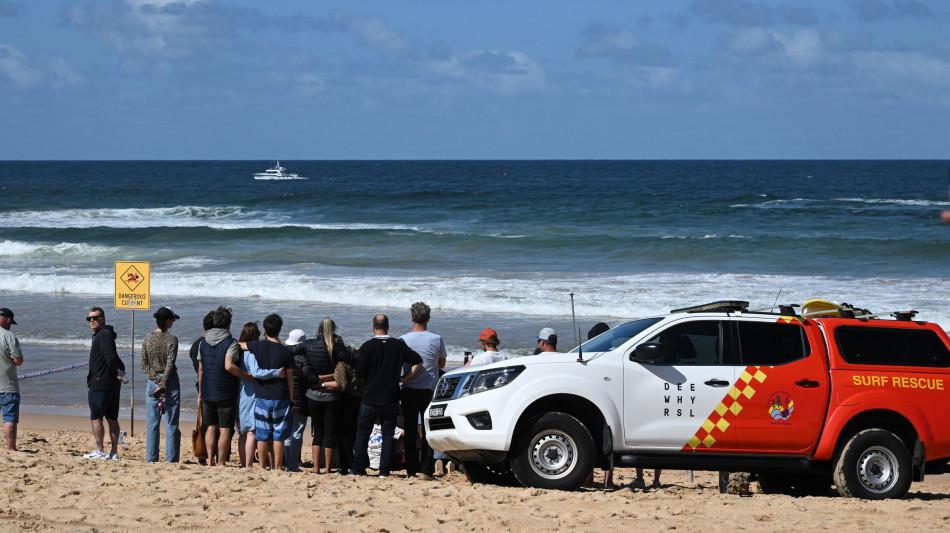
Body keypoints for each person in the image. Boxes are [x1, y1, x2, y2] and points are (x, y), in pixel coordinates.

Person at [351, 314, 423, 478]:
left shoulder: (367, 347)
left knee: (362, 434)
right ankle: (384, 471)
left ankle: (358, 468)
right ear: (388, 327)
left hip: (369, 397)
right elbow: (418, 360)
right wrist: (405, 378)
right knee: (388, 435)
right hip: (390, 398)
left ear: (373, 327)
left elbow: (359, 374)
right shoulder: (397, 345)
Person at [292, 317, 358, 474]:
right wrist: (352, 350)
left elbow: (289, 351)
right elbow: (354, 360)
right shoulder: (335, 347)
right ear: (333, 330)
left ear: (319, 329)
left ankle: (316, 469)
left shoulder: (308, 344)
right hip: (331, 396)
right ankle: (328, 469)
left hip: (312, 396)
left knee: (318, 434)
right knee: (329, 433)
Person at [398, 302, 446, 480]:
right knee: (427, 432)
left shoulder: (403, 339)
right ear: (428, 318)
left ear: (411, 317)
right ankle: (426, 470)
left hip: (408, 389)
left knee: (410, 432)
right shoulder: (436, 339)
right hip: (428, 391)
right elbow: (441, 364)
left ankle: (411, 471)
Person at [198, 306, 251, 467]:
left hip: (207, 390)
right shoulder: (231, 342)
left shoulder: (203, 342)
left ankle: (209, 460)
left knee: (210, 427)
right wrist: (246, 376)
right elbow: (229, 366)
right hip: (225, 391)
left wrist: (201, 391)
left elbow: (201, 369)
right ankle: (221, 462)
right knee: (225, 428)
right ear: (228, 324)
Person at [241, 313, 294, 470]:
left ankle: (262, 466)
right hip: (281, 396)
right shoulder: (286, 351)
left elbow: (240, 345)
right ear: (279, 330)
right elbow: (290, 378)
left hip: (262, 395)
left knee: (262, 434)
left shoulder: (257, 346)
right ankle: (277, 467)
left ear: (264, 330)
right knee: (279, 435)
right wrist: (292, 399)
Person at [236, 322, 283, 468]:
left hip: (241, 393)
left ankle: (245, 464)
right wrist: (276, 373)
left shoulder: (239, 351)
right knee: (251, 431)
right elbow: (256, 372)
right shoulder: (251, 352)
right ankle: (248, 465)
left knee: (244, 432)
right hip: (250, 394)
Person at [140, 306, 181, 463]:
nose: (173, 322)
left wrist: (156, 379)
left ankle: (151, 459)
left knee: (152, 423)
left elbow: (144, 364)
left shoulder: (148, 338)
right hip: (169, 381)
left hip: (153, 381)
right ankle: (170, 460)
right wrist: (163, 382)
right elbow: (170, 365)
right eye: (173, 320)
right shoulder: (172, 339)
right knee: (171, 423)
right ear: (168, 321)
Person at [83, 306, 124, 461]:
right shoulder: (105, 334)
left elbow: (111, 357)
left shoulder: (103, 335)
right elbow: (113, 358)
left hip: (101, 383)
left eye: (96, 317)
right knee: (112, 418)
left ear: (103, 318)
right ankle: (113, 453)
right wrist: (120, 371)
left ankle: (101, 450)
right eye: (89, 318)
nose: (92, 321)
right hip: (111, 382)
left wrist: (118, 371)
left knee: (97, 417)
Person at [189, 310, 215, 465]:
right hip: (213, 385)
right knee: (214, 424)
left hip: (202, 384)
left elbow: (196, 367)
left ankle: (203, 455)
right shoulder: (207, 343)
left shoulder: (196, 344)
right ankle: (211, 455)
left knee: (206, 421)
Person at [283, 328, 308, 472]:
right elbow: (309, 379)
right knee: (297, 432)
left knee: (287, 432)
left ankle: (287, 461)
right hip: (300, 400)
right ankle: (292, 464)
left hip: (284, 398)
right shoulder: (304, 359)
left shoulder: (283, 355)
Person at [0, 308, 23, 451]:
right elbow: (18, 360)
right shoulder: (8, 336)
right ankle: (11, 448)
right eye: (10, 323)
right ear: (8, 320)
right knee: (10, 419)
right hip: (7, 385)